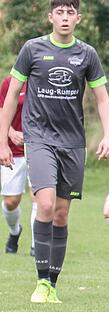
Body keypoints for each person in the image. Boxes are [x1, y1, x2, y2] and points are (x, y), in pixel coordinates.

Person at [0, 0, 109, 303]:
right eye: (59, 12)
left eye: (70, 12)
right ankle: (40, 283)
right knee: (46, 205)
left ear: (78, 18)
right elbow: (11, 96)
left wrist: (108, 135)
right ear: (50, 17)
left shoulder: (87, 54)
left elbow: (102, 98)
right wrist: (2, 141)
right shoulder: (32, 49)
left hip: (73, 143)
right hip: (38, 139)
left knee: (62, 214)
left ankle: (52, 283)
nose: (65, 18)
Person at [0, 75, 37, 256]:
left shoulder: (45, 80)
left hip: (39, 148)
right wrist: (11, 133)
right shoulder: (10, 82)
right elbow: (1, 111)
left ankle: (36, 245)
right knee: (11, 202)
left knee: (38, 196)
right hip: (13, 150)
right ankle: (15, 231)